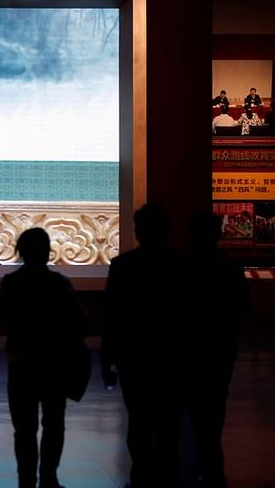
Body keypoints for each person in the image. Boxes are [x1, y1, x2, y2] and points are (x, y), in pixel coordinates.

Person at [0, 227, 88, 488]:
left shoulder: (7, 283)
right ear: (47, 251)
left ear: (20, 251)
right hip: (55, 363)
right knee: (54, 423)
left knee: (24, 428)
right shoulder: (60, 283)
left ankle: (25, 479)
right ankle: (49, 477)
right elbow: (80, 322)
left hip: (20, 364)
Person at [101, 203, 187, 488]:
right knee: (169, 424)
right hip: (172, 357)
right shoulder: (181, 266)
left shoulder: (123, 266)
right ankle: (166, 474)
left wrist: (106, 362)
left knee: (138, 420)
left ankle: (140, 474)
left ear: (138, 231)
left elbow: (111, 317)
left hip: (134, 358)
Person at [186, 212, 250, 488]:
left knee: (192, 405)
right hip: (221, 346)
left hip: (190, 347)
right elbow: (244, 307)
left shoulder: (183, 268)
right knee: (215, 403)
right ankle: (210, 460)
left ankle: (199, 457)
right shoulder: (230, 267)